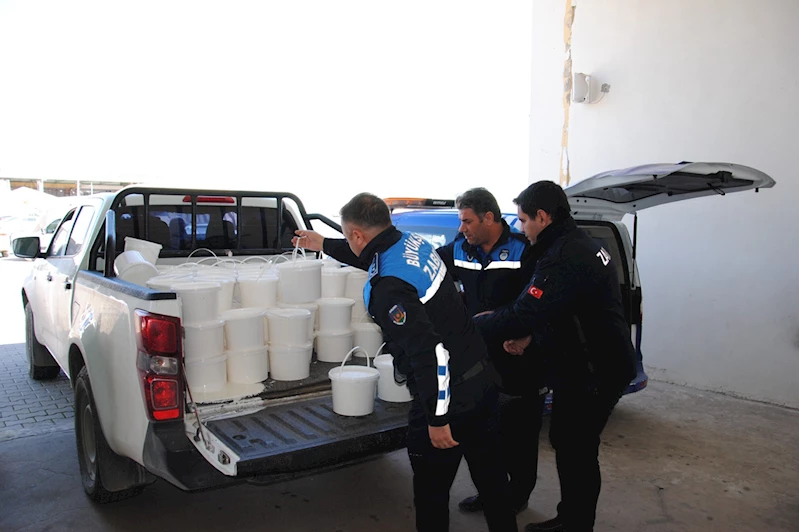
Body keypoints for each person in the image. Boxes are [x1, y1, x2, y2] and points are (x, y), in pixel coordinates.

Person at [293, 193, 517, 532]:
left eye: (349, 236)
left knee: (431, 495)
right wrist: (323, 243)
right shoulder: (410, 243)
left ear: (357, 235)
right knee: (494, 484)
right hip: (481, 379)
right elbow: (371, 256)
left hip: (449, 396)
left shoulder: (388, 288)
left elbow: (429, 353)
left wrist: (437, 419)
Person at [473, 181, 637, 532]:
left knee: (577, 448)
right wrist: (531, 335)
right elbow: (561, 306)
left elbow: (525, 311)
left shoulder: (563, 255)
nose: (520, 229)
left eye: (523, 220)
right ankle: (572, 518)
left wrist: (474, 327)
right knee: (569, 443)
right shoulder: (576, 243)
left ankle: (576, 524)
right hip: (591, 362)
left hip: (595, 370)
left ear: (542, 217)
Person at [435, 187, 548, 515]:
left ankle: (519, 494)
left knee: (521, 435)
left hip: (519, 357)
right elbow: (424, 266)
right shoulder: (460, 249)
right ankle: (491, 492)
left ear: (488, 218)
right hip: (479, 362)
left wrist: (528, 336)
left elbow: (546, 302)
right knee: (486, 434)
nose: (462, 228)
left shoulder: (525, 250)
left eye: (467, 221)